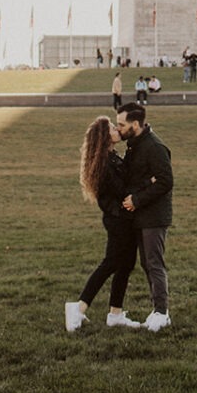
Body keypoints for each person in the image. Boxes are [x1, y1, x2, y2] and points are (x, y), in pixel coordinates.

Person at [65, 116, 141, 332]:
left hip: (123, 219)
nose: (117, 130)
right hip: (117, 220)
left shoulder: (110, 157)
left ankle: (115, 313)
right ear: (104, 136)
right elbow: (121, 189)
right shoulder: (104, 163)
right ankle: (78, 308)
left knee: (126, 265)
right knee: (111, 263)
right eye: (112, 128)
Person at [117, 102, 173, 331]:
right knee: (146, 263)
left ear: (136, 124)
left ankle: (162, 312)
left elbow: (165, 181)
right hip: (142, 216)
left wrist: (137, 199)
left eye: (122, 124)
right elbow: (136, 178)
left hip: (154, 216)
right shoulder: (134, 145)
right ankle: (157, 310)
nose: (118, 128)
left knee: (154, 263)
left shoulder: (155, 147)